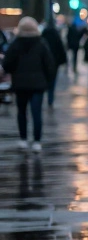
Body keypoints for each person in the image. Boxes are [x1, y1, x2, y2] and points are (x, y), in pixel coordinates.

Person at [3, 17, 56, 151]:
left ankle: (23, 139)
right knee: (36, 112)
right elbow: (49, 64)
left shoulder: (15, 44)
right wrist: (48, 80)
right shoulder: (41, 43)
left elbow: (7, 64)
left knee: (21, 112)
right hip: (38, 84)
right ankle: (37, 141)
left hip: (20, 84)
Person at [41, 21, 66, 106]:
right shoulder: (56, 36)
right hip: (55, 62)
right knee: (53, 81)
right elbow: (61, 49)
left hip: (44, 63)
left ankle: (46, 95)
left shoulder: (43, 36)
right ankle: (50, 99)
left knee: (45, 79)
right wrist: (63, 60)